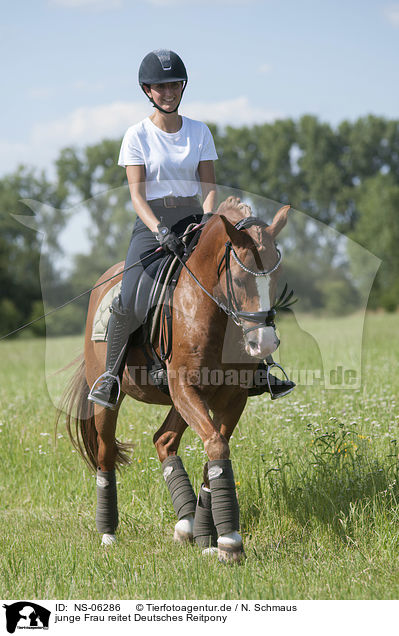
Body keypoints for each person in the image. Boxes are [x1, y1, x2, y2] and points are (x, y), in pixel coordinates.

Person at [88, 49, 294, 409]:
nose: (168, 92)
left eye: (174, 85)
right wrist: (158, 230)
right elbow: (136, 195)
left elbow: (209, 186)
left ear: (182, 88)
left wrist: (207, 218)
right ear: (147, 91)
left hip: (196, 220)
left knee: (239, 279)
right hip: (152, 224)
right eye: (160, 87)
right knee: (130, 298)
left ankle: (260, 368)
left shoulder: (199, 131)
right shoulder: (136, 135)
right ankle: (109, 377)